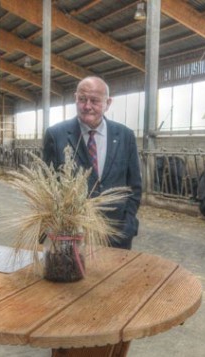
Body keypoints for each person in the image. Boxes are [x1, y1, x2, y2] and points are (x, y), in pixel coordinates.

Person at [43, 76, 142, 249]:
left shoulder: (125, 136)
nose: (87, 106)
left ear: (108, 103)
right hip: (72, 235)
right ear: (76, 98)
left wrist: (128, 222)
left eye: (95, 101)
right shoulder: (55, 135)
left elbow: (134, 186)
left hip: (117, 233)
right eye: (82, 99)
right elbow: (46, 186)